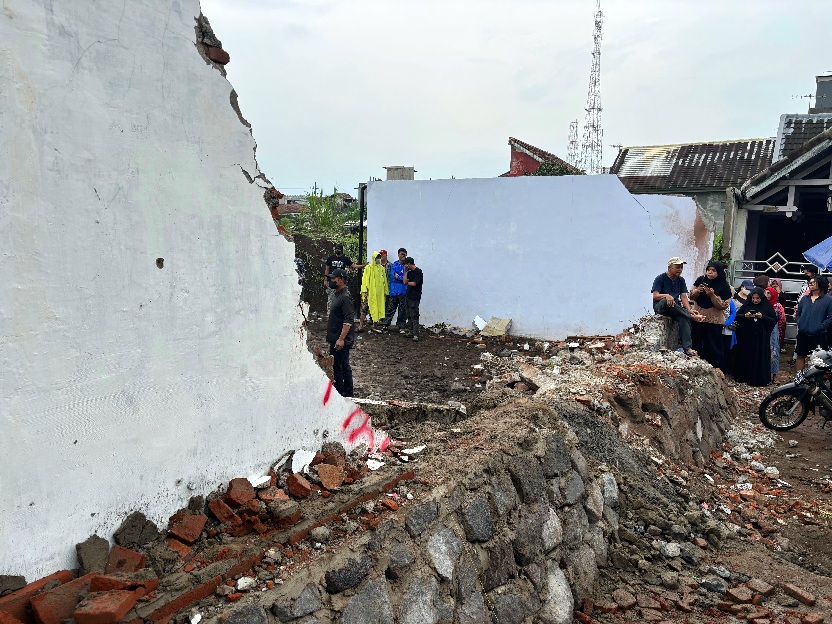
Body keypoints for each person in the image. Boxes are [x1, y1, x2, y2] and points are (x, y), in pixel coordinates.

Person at [651, 257, 703, 356]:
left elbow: (683, 297)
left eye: (681, 267)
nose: (680, 270)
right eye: (677, 267)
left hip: (674, 308)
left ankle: (688, 348)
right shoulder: (660, 278)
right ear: (669, 268)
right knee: (667, 301)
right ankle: (691, 316)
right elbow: (655, 295)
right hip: (661, 307)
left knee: (683, 318)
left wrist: (689, 310)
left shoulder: (681, 280)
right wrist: (666, 296)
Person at [689, 260, 731, 370]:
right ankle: (696, 368)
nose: (710, 272)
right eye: (708, 270)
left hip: (714, 321)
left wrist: (712, 295)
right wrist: (697, 291)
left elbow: (723, 306)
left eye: (713, 270)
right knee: (696, 344)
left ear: (719, 272)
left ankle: (716, 370)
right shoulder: (701, 280)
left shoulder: (724, 286)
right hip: (698, 318)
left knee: (714, 347)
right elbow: (690, 296)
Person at [735, 287, 778, 386]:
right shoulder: (747, 305)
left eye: (757, 298)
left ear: (761, 298)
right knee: (746, 355)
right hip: (747, 336)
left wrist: (762, 317)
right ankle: (743, 376)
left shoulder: (766, 306)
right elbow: (737, 316)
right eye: (753, 298)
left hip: (761, 337)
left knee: (759, 357)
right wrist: (745, 316)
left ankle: (758, 379)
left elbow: (773, 320)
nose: (755, 300)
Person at [326, 268, 356, 397]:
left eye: (333, 278)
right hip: (336, 338)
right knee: (342, 365)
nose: (331, 280)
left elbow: (348, 320)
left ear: (341, 279)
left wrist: (341, 339)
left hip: (340, 340)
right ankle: (347, 392)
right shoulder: (338, 295)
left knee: (338, 368)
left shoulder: (345, 297)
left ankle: (341, 394)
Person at [795, 275, 832, 371]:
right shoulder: (805, 299)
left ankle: (814, 379)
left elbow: (830, 317)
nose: (810, 284)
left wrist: (820, 327)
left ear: (820, 284)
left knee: (817, 358)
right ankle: (798, 377)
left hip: (819, 335)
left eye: (813, 282)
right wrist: (800, 323)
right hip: (803, 333)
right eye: (809, 282)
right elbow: (798, 313)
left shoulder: (828, 300)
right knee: (800, 356)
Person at [324, 244, 365, 309]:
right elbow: (327, 269)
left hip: (341, 281)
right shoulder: (330, 258)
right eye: (336, 249)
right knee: (331, 298)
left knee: (343, 296)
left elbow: (354, 265)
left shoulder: (345, 259)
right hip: (332, 281)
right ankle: (330, 312)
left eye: (338, 249)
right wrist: (326, 280)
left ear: (342, 251)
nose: (337, 251)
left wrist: (363, 265)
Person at [359, 251, 389, 332]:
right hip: (370, 293)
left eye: (379, 258)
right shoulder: (368, 268)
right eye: (377, 258)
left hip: (379, 293)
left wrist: (385, 291)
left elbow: (385, 281)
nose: (378, 259)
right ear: (374, 258)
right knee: (364, 309)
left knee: (377, 309)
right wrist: (365, 291)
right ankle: (360, 326)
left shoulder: (381, 268)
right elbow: (364, 280)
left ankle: (374, 325)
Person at [383, 248, 409, 332]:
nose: (403, 256)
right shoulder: (394, 265)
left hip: (403, 290)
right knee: (391, 308)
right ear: (398, 255)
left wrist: (399, 277)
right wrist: (401, 277)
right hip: (394, 291)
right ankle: (385, 325)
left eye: (404, 254)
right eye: (402, 254)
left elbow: (407, 278)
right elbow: (392, 276)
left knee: (402, 309)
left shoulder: (407, 266)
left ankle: (401, 326)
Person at [765, 287, 785, 377]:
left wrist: (778, 331)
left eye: (769, 293)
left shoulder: (778, 306)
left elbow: (782, 320)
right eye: (765, 293)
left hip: (773, 333)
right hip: (763, 332)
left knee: (774, 352)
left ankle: (774, 375)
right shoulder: (762, 304)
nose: (766, 295)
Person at [402, 256, 423, 341]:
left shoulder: (418, 272)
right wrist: (405, 272)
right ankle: (410, 331)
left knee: (414, 315)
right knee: (409, 315)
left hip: (415, 296)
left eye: (406, 264)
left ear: (409, 264)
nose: (405, 266)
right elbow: (404, 281)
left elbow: (414, 283)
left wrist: (408, 282)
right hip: (408, 295)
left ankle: (416, 334)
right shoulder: (409, 272)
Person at [722, 298, 738, 375]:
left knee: (726, 349)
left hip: (727, 330)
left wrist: (726, 323)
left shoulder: (730, 301)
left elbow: (733, 313)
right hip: (717, 327)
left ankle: (725, 369)